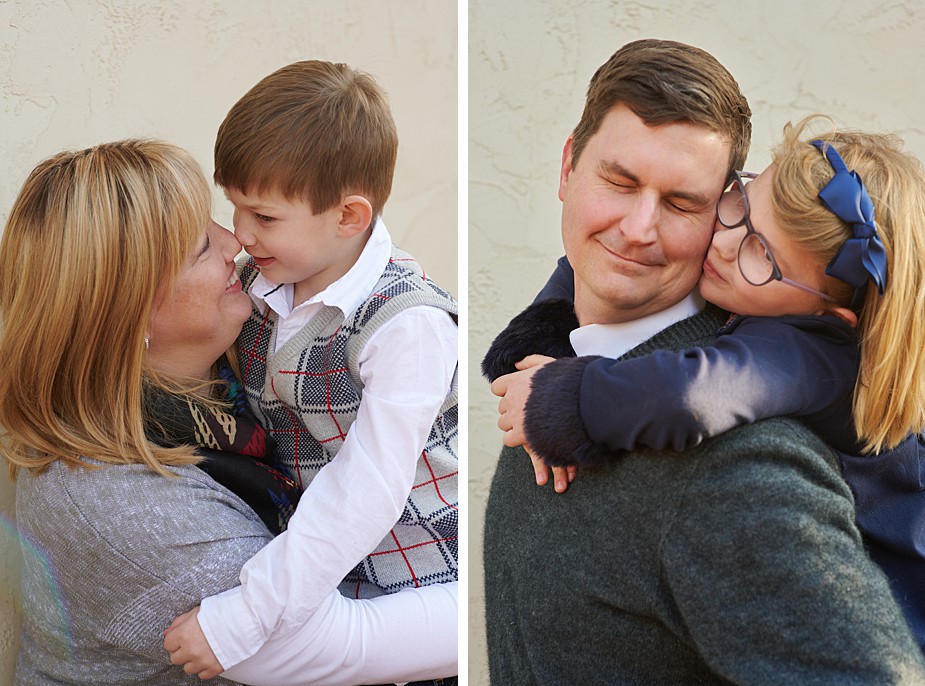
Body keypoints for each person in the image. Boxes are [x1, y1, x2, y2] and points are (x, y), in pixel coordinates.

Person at [480, 38, 925, 684]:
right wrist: (532, 359)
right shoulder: (574, 346)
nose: (636, 228)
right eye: (618, 180)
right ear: (567, 166)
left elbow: (698, 392)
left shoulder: (738, 465)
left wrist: (565, 401)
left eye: (682, 203)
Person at [0, 139, 456, 685]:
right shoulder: (121, 504)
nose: (234, 240)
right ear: (128, 315)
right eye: (199, 246)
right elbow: (344, 644)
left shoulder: (231, 365)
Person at [163, 60, 459, 680]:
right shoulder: (259, 284)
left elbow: (365, 487)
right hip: (330, 566)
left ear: (350, 217)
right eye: (234, 207)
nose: (240, 234)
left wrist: (243, 616)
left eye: (265, 217)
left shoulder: (406, 326)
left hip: (430, 571)